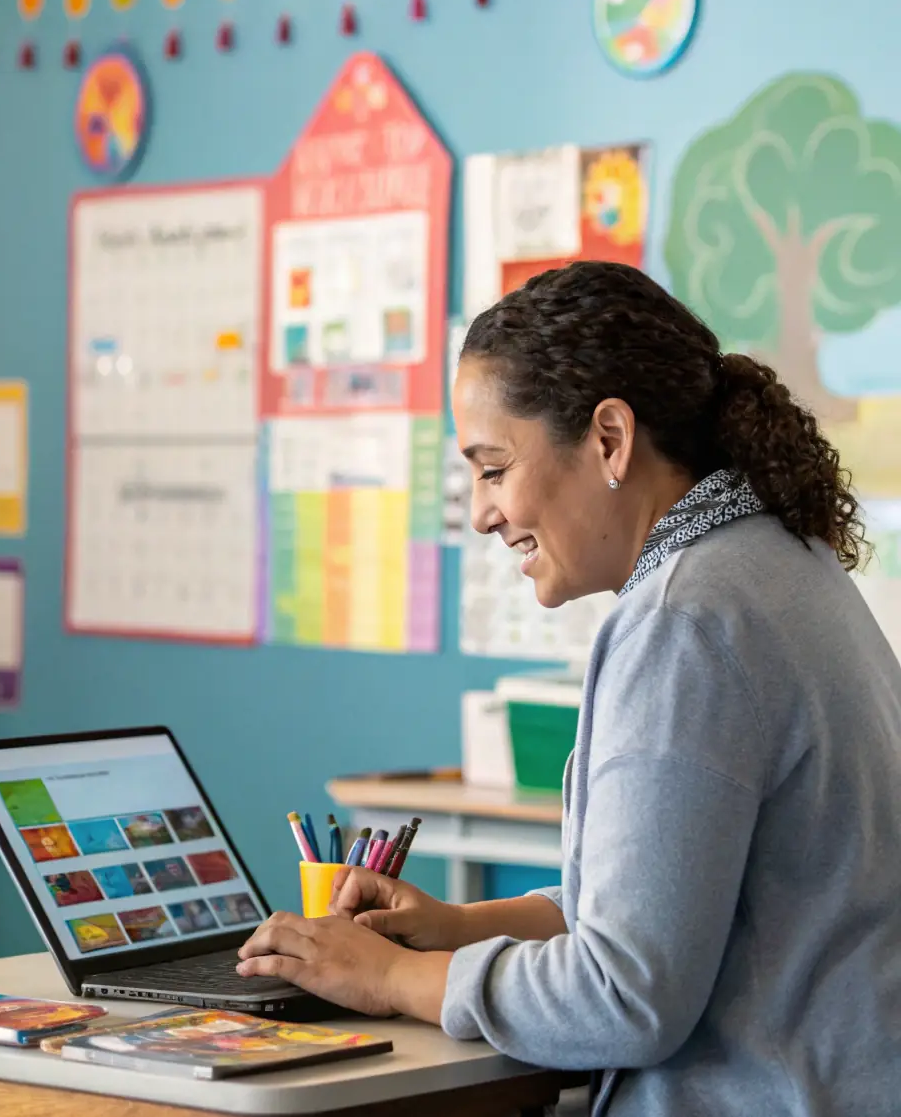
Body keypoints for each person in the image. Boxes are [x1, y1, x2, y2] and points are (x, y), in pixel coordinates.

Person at [239, 262, 901, 1115]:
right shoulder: (784, 564)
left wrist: (400, 976)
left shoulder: (684, 622)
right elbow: (677, 907)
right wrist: (463, 926)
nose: (482, 512)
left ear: (611, 439)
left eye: (492, 467)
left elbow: (625, 996)